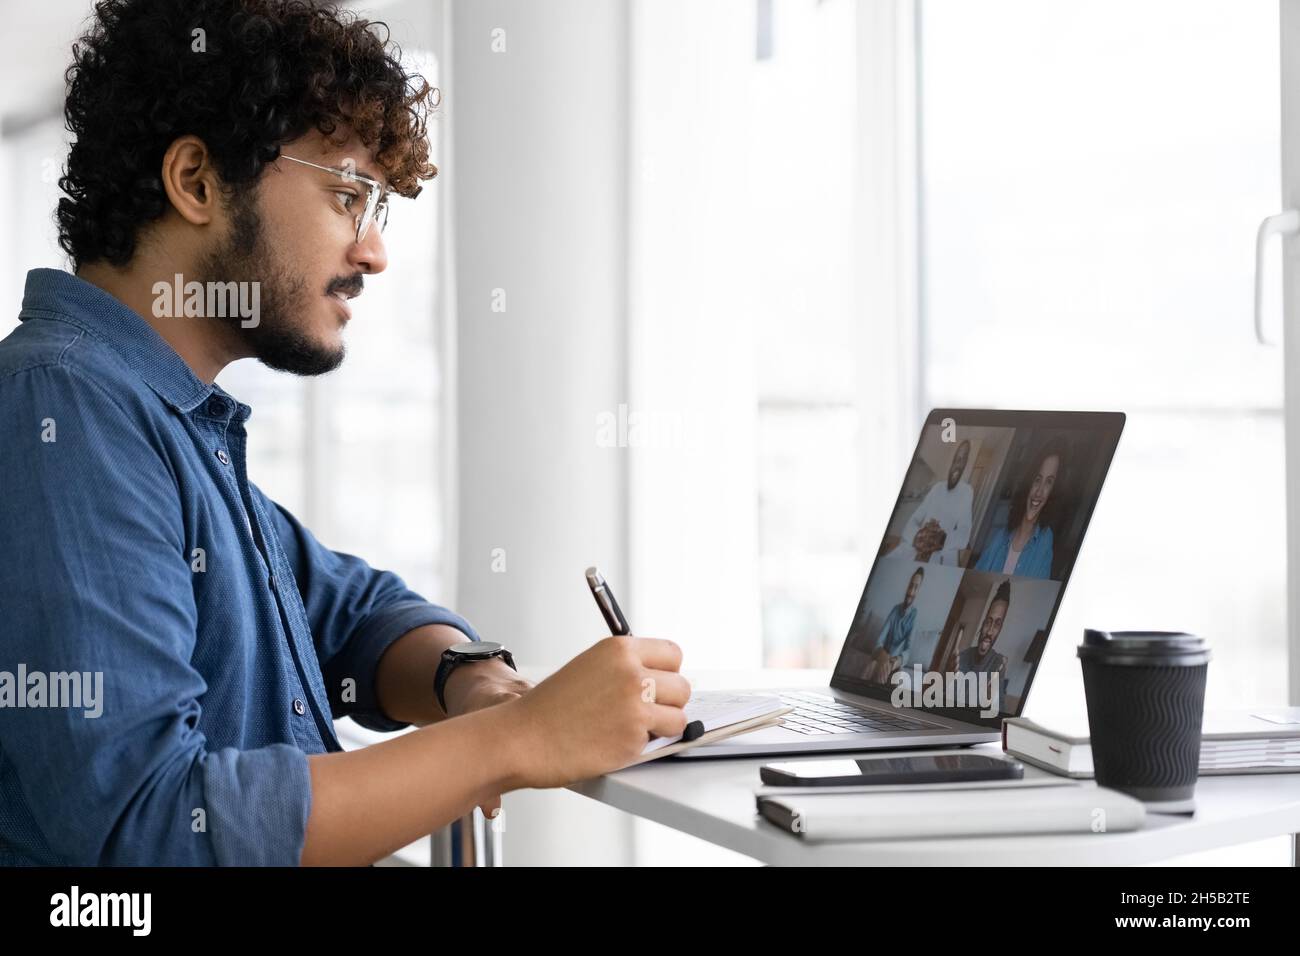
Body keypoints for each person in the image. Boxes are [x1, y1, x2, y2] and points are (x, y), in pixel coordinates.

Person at [0, 0, 688, 867]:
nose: (373, 252)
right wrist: (518, 740)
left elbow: (350, 612)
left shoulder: (165, 418)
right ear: (197, 183)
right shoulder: (67, 411)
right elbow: (149, 825)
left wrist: (473, 683)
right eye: (346, 193)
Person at [975, 438, 1067, 580]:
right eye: (1037, 479)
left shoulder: (1045, 540)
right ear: (1028, 482)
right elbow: (978, 574)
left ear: (1053, 491)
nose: (1039, 492)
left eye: (1048, 482)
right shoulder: (1002, 534)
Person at [891, 440, 974, 566]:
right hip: (917, 545)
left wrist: (942, 540)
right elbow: (914, 520)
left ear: (966, 463)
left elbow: (964, 532)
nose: (958, 463)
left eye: (963, 459)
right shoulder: (937, 488)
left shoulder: (966, 491)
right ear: (952, 460)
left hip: (941, 553)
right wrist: (918, 536)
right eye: (957, 458)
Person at [948, 580, 1012, 692]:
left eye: (997, 624)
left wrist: (990, 699)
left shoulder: (998, 665)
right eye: (988, 622)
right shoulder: (962, 657)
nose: (990, 632)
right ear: (983, 623)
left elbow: (1000, 706)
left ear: (1001, 629)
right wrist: (947, 679)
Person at [865, 569, 924, 682]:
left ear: (918, 591)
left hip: (894, 662)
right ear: (907, 585)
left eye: (916, 587)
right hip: (882, 656)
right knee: (870, 667)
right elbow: (879, 641)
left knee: (887, 675)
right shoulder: (895, 609)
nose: (911, 591)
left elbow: (908, 650)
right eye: (910, 585)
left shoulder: (915, 616)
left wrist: (894, 662)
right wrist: (884, 658)